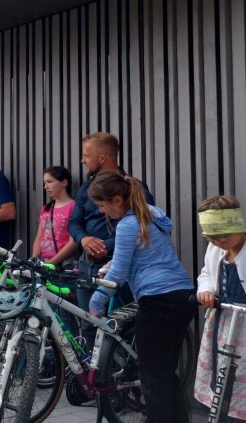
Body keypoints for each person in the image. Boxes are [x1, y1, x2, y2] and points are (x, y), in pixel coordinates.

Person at [87, 172, 194, 423]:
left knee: (153, 377)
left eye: (103, 206)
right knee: (166, 373)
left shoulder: (127, 225)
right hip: (182, 295)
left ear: (116, 200)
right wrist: (114, 262)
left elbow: (119, 276)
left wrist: (96, 302)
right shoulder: (151, 213)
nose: (103, 212)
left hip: (157, 301)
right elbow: (147, 253)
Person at [68, 132, 155, 348]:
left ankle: (123, 379)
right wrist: (84, 239)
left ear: (102, 158)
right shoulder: (85, 188)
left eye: (86, 155)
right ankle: (92, 380)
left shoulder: (133, 187)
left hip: (121, 268)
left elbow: (145, 225)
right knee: (89, 326)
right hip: (87, 266)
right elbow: (74, 223)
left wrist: (106, 245)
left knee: (122, 328)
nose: (82, 160)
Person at [193, 195, 246, 419]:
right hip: (223, 322)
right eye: (212, 238)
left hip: (243, 326)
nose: (218, 242)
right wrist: (205, 290)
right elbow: (206, 273)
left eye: (223, 236)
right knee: (222, 375)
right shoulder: (216, 250)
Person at [30, 166, 78, 266]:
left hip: (63, 262)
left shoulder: (73, 207)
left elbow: (74, 241)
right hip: (42, 262)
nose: (45, 187)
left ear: (64, 183)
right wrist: (34, 259)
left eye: (49, 182)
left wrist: (52, 262)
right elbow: (39, 237)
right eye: (44, 183)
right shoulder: (46, 208)